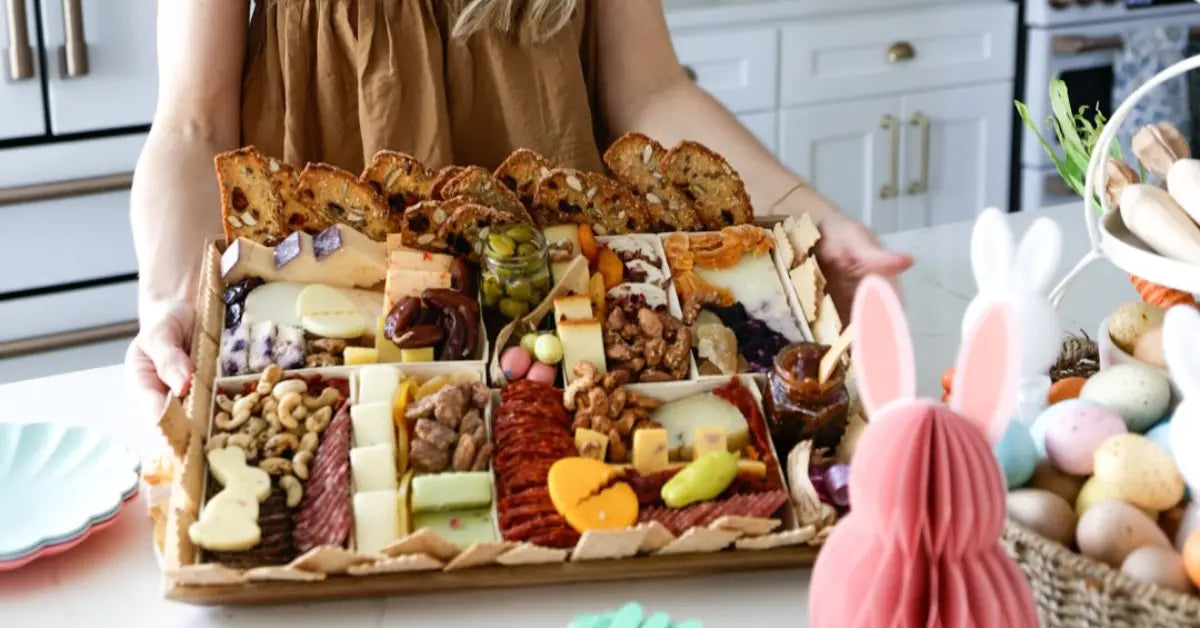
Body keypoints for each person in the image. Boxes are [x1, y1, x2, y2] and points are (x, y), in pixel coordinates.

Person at [126, 0, 912, 421]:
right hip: (329, 331)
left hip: (554, 325)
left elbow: (651, 91)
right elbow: (194, 126)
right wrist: (169, 294)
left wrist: (805, 221)